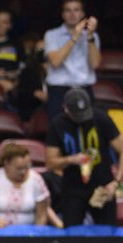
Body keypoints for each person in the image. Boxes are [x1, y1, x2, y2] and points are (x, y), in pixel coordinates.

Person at [45, 86, 123, 227]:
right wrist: (71, 159)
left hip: (102, 185)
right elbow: (50, 163)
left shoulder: (101, 118)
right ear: (65, 108)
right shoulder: (57, 124)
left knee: (106, 234)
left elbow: (122, 149)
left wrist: (116, 182)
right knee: (72, 235)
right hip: (73, 187)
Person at [0, 142, 54, 230]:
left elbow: (41, 214)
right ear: (6, 164)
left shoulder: (36, 179)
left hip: (28, 232)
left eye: (27, 167)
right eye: (19, 168)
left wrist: (37, 234)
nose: (23, 172)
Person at [43, 0, 99, 125]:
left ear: (82, 14)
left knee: (87, 129)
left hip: (84, 89)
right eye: (68, 10)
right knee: (59, 131)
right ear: (63, 14)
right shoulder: (51, 35)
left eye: (76, 10)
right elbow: (56, 61)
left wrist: (90, 36)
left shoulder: (92, 36)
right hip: (59, 91)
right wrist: (75, 36)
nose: (72, 14)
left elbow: (95, 64)